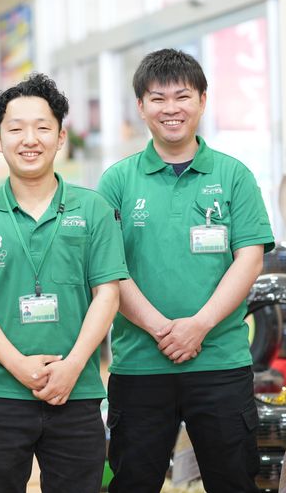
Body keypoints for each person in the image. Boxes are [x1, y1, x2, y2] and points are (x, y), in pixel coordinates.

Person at [97, 48, 275, 493]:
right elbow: (109, 270)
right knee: (132, 482)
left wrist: (199, 326)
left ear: (202, 101)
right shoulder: (117, 181)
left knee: (233, 482)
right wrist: (162, 329)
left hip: (220, 361)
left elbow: (249, 258)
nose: (171, 108)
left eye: (182, 96)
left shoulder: (234, 176)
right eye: (158, 98)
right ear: (141, 106)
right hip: (139, 366)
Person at [0, 73, 128, 493]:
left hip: (76, 391)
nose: (30, 140)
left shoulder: (94, 209)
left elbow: (107, 294)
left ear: (61, 136)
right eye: (16, 129)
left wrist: (72, 367)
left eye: (42, 127)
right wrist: (20, 366)